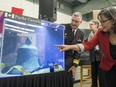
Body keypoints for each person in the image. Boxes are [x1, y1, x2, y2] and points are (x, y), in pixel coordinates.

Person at [56, 6, 116, 87]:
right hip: (106, 70)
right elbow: (88, 45)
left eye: (103, 21)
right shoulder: (100, 33)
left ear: (113, 20)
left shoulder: (81, 33)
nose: (100, 24)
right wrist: (70, 47)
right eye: (100, 21)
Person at [63, 12, 84, 83]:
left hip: (70, 62)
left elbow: (78, 51)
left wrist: (75, 65)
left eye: (76, 21)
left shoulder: (81, 33)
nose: (74, 23)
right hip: (60, 60)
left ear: (81, 22)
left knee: (69, 81)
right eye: (72, 20)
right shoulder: (62, 27)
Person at [88, 20, 102, 87]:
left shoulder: (101, 33)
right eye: (89, 24)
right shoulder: (89, 35)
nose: (90, 26)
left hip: (101, 57)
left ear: (97, 25)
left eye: (91, 24)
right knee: (93, 75)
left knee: (101, 75)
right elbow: (86, 44)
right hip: (93, 57)